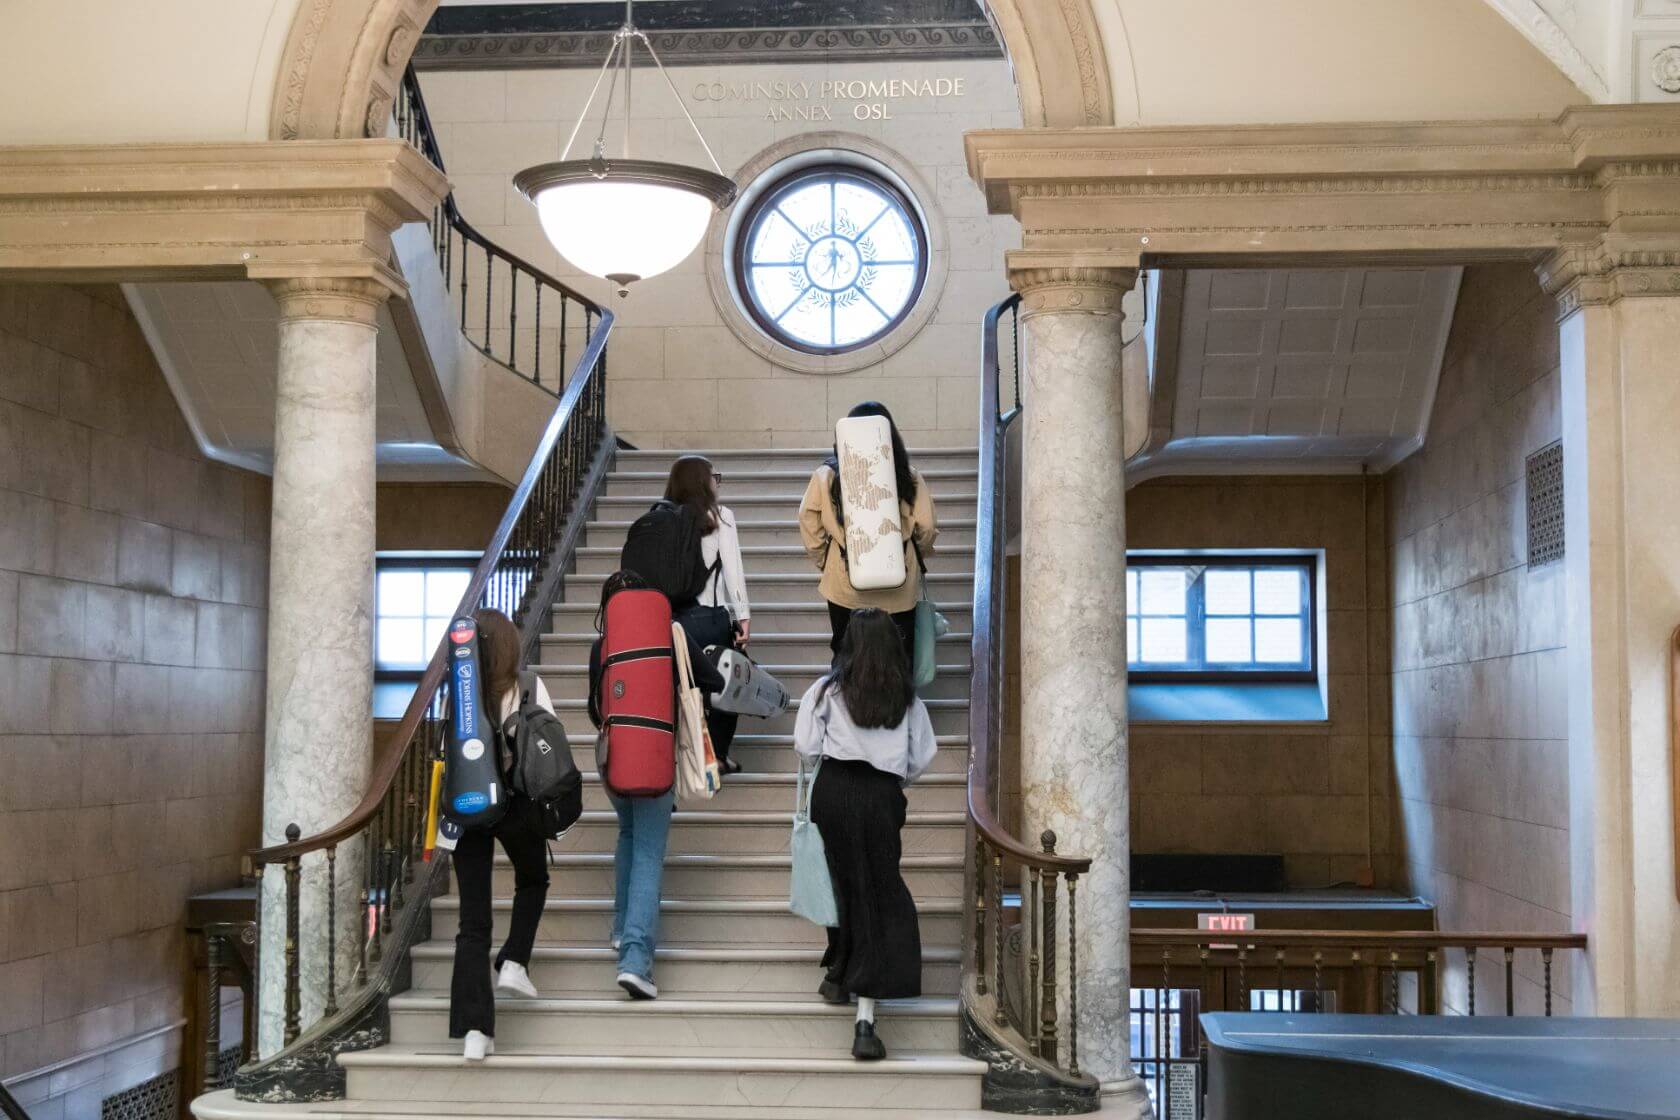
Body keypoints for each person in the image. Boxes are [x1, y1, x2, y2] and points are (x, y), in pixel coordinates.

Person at [792, 607, 939, 1061]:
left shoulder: (825, 691)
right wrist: (893, 779)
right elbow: (922, 758)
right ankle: (865, 1020)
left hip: (833, 790)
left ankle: (838, 973)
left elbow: (806, 748)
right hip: (880, 796)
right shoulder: (908, 701)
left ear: (849, 645)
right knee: (876, 890)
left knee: (842, 882)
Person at [587, 570, 724, 1000]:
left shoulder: (602, 645)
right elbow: (715, 682)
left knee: (628, 836)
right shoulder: (672, 635)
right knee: (648, 852)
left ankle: (620, 927)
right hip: (654, 758)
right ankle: (634, 960)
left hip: (614, 761)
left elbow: (596, 706)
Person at [449, 608, 557, 1061]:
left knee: (473, 923)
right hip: (515, 807)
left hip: (468, 806)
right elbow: (550, 740)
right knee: (533, 879)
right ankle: (514, 961)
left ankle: (476, 1031)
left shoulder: (459, 690)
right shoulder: (527, 684)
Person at [799, 401, 938, 659]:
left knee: (845, 656)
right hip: (899, 585)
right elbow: (927, 527)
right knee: (899, 658)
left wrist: (825, 560)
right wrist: (916, 553)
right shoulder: (908, 475)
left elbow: (807, 520)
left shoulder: (826, 475)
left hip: (844, 585)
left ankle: (846, 700)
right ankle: (898, 700)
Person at [663, 455, 751, 774]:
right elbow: (733, 572)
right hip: (710, 619)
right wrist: (743, 616)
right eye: (714, 475)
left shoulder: (663, 518)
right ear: (703, 481)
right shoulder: (720, 516)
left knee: (681, 687)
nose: (717, 481)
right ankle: (718, 756)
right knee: (727, 683)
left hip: (672, 620)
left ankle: (680, 758)